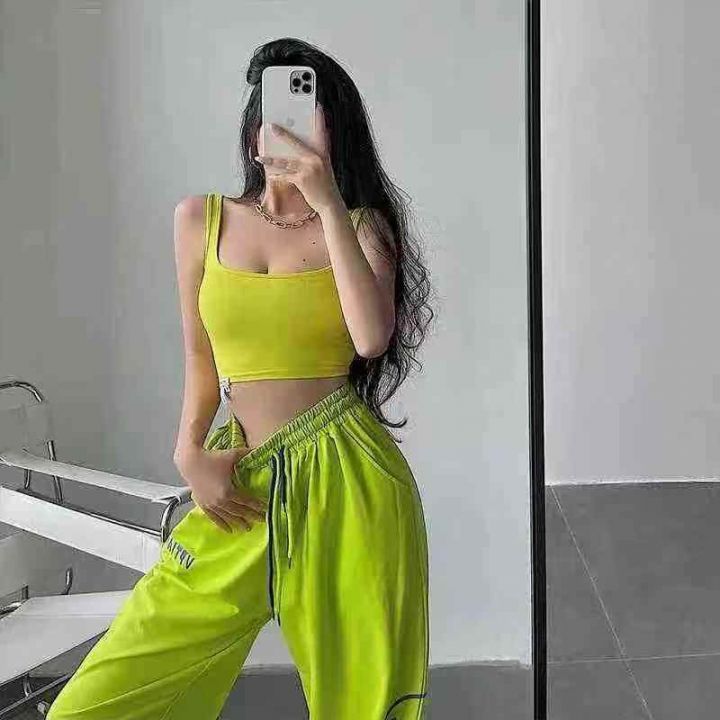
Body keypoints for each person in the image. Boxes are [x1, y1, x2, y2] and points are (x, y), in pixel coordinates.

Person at [47, 37, 435, 720]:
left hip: (348, 481)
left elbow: (371, 339)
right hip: (241, 481)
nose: (286, 129)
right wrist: (188, 451)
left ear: (334, 133)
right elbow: (200, 357)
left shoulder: (361, 227)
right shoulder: (200, 220)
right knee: (95, 704)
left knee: (364, 709)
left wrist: (326, 200)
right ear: (255, 126)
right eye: (275, 113)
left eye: (307, 117)